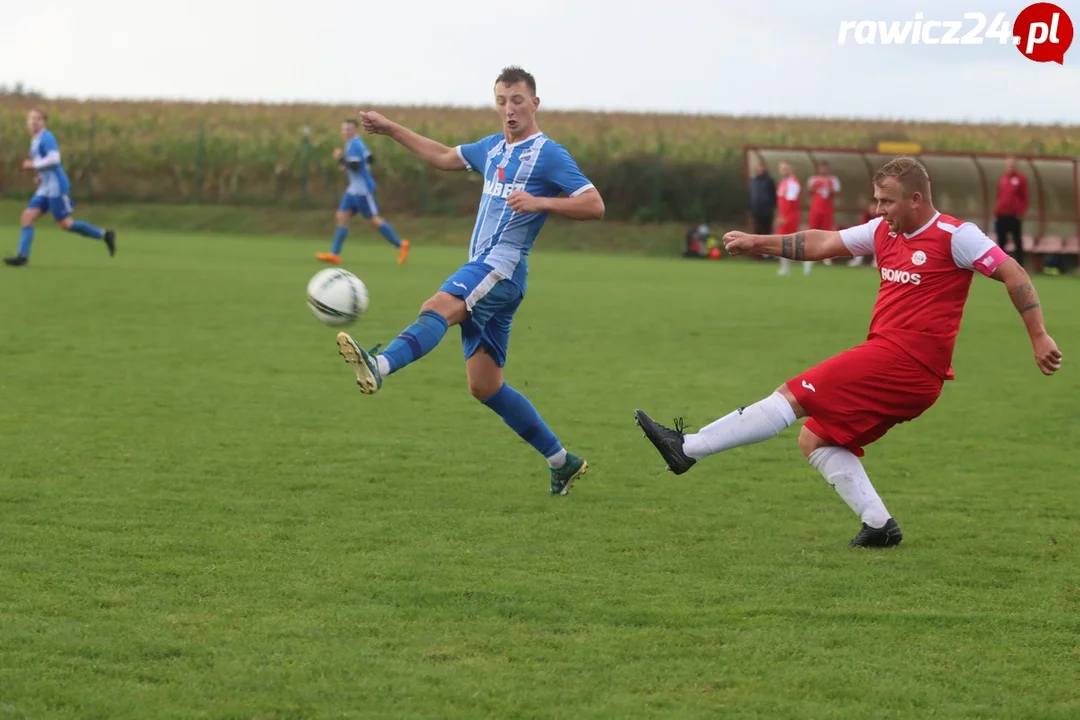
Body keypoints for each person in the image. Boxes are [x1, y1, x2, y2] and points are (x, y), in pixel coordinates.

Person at [634, 156, 1061, 547]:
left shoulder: (956, 236)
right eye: (876, 200)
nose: (879, 210)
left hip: (905, 363)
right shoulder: (882, 232)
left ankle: (687, 448)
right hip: (900, 369)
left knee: (792, 396)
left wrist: (1039, 335)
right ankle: (879, 525)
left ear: (916, 199)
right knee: (815, 438)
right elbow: (821, 244)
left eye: (887, 201)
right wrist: (758, 242)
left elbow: (1013, 272)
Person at [334, 66, 605, 496]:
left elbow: (594, 204)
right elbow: (443, 156)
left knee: (438, 304)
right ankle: (562, 462)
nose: (509, 109)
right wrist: (389, 129)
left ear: (534, 103)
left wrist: (539, 201)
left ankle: (380, 365)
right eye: (501, 101)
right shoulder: (492, 149)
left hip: (501, 268)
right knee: (485, 386)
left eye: (517, 100)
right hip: (492, 274)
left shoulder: (548, 153)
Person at [4, 108, 116, 267]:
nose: (33, 122)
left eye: (38, 119)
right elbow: (46, 164)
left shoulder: (47, 137)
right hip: (45, 187)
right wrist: (40, 175)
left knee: (66, 224)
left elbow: (54, 159)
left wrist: (33, 164)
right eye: (31, 119)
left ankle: (104, 235)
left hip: (57, 186)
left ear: (44, 122)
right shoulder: (34, 140)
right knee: (27, 217)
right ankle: (22, 257)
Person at [315, 118, 410, 266]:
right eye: (344, 129)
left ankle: (401, 245)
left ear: (355, 130)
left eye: (349, 129)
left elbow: (355, 165)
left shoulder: (354, 144)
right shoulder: (356, 143)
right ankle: (334, 254)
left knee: (373, 220)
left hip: (362, 190)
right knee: (341, 216)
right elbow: (370, 159)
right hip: (353, 189)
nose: (345, 132)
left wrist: (341, 160)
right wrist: (355, 166)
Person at [993, 155, 1029, 269]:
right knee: (1001, 241)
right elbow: (999, 196)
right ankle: (1001, 266)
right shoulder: (1003, 179)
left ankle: (1020, 266)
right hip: (1001, 215)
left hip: (1014, 216)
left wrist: (1021, 212)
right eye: (1008, 164)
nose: (1010, 167)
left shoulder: (1020, 179)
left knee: (1017, 241)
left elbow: (1025, 197)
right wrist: (996, 211)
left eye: (1012, 164)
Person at [774, 162, 810, 276]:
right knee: (784, 242)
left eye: (786, 168)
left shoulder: (793, 183)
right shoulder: (783, 183)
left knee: (788, 241)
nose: (783, 171)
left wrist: (784, 217)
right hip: (783, 216)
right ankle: (786, 267)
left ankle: (807, 259)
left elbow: (791, 202)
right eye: (782, 169)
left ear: (791, 169)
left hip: (789, 216)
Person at [807, 160, 841, 266]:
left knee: (827, 233)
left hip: (827, 210)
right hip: (815, 210)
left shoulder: (833, 179)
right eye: (821, 167)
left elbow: (838, 193)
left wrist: (831, 190)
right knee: (812, 232)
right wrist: (812, 188)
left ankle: (826, 257)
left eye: (825, 167)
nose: (823, 170)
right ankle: (811, 256)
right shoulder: (813, 179)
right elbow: (808, 192)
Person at [748, 161, 776, 236]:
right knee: (757, 229)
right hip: (756, 210)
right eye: (759, 167)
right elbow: (750, 194)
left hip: (767, 210)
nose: (760, 169)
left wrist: (772, 207)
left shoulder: (769, 180)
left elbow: (773, 194)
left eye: (762, 167)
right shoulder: (753, 181)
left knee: (767, 230)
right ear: (756, 168)